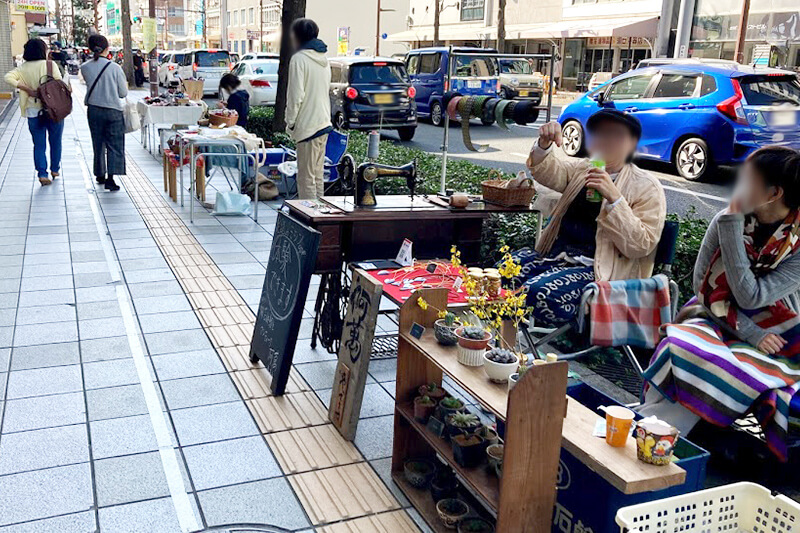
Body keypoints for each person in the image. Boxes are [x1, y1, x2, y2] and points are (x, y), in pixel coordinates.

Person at [640, 146, 800, 462]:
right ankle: (654, 430)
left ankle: (657, 435)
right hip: (712, 312)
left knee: (740, 369)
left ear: (773, 193)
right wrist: (731, 226)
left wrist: (755, 333)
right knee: (687, 349)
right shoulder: (725, 220)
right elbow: (703, 287)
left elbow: (753, 297)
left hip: (779, 325)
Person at [508, 110, 666, 327]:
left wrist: (614, 198)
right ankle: (494, 343)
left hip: (601, 274)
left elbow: (641, 244)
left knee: (537, 293)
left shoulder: (647, 187)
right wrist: (543, 145)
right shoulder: (586, 168)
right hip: (558, 257)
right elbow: (551, 172)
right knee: (500, 273)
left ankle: (517, 344)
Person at [5, 38, 68, 186]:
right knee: (55, 140)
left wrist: (25, 88)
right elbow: (59, 84)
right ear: (43, 50)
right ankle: (54, 169)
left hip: (33, 110)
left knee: (39, 144)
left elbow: (7, 77)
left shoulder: (22, 68)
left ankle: (42, 174)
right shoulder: (50, 65)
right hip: (54, 109)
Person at [285, 18, 332, 200]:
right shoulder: (324, 59)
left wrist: (290, 122)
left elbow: (295, 96)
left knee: (305, 179)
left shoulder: (299, 59)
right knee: (317, 176)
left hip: (308, 127)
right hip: (323, 123)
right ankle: (320, 218)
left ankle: (309, 220)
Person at [81, 34, 128, 192]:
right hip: (113, 110)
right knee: (114, 145)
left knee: (98, 143)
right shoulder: (115, 68)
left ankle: (100, 174)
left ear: (89, 48)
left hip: (94, 109)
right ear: (107, 49)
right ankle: (111, 179)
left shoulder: (85, 67)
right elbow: (123, 93)